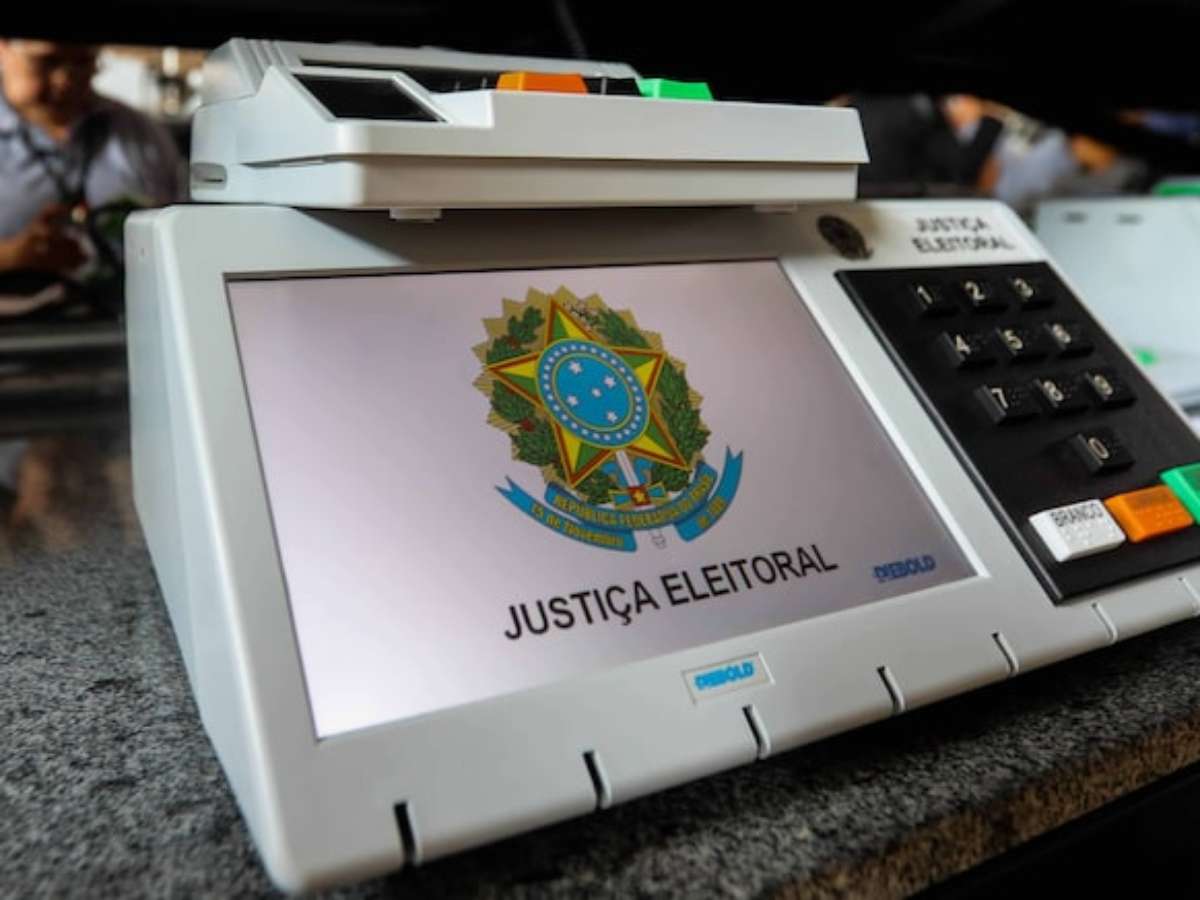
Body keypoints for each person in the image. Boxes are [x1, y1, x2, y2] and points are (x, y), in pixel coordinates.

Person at [0, 39, 182, 314]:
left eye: (83, 62)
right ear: (3, 48)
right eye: (47, 62)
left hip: (128, 322)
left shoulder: (142, 133)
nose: (66, 80)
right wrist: (11, 255)